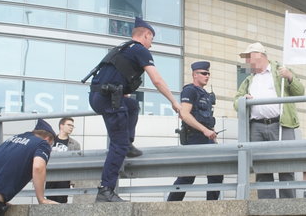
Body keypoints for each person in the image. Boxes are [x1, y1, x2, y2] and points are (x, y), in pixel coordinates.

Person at [88, 17, 181, 202]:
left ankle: (128, 144)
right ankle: (105, 190)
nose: (151, 45)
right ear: (146, 35)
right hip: (109, 99)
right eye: (151, 40)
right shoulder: (140, 50)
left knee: (132, 105)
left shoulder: (123, 47)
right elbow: (157, 80)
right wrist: (174, 102)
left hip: (97, 96)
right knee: (118, 144)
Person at [234, 42, 305, 199]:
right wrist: (242, 100)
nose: (246, 61)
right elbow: (236, 100)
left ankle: (288, 206)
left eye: (248, 57)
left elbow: (299, 92)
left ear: (260, 55)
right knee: (262, 169)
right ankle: (266, 206)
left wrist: (290, 77)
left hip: (281, 124)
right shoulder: (248, 78)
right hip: (257, 127)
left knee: (286, 166)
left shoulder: (281, 70)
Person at [167, 61, 224, 201]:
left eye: (208, 73)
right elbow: (185, 114)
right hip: (194, 138)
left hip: (207, 138)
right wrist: (205, 130)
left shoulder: (205, 94)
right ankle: (170, 206)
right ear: (194, 74)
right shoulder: (190, 90)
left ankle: (212, 206)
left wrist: (212, 133)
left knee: (216, 173)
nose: (207, 76)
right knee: (187, 176)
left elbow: (207, 118)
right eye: (204, 73)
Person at [45, 117, 81, 203]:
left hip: (65, 177)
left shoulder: (75, 144)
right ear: (61, 126)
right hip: (50, 176)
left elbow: (77, 163)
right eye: (69, 125)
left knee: (62, 202)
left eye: (72, 126)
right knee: (49, 202)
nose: (71, 127)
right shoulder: (50, 141)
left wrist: (73, 180)